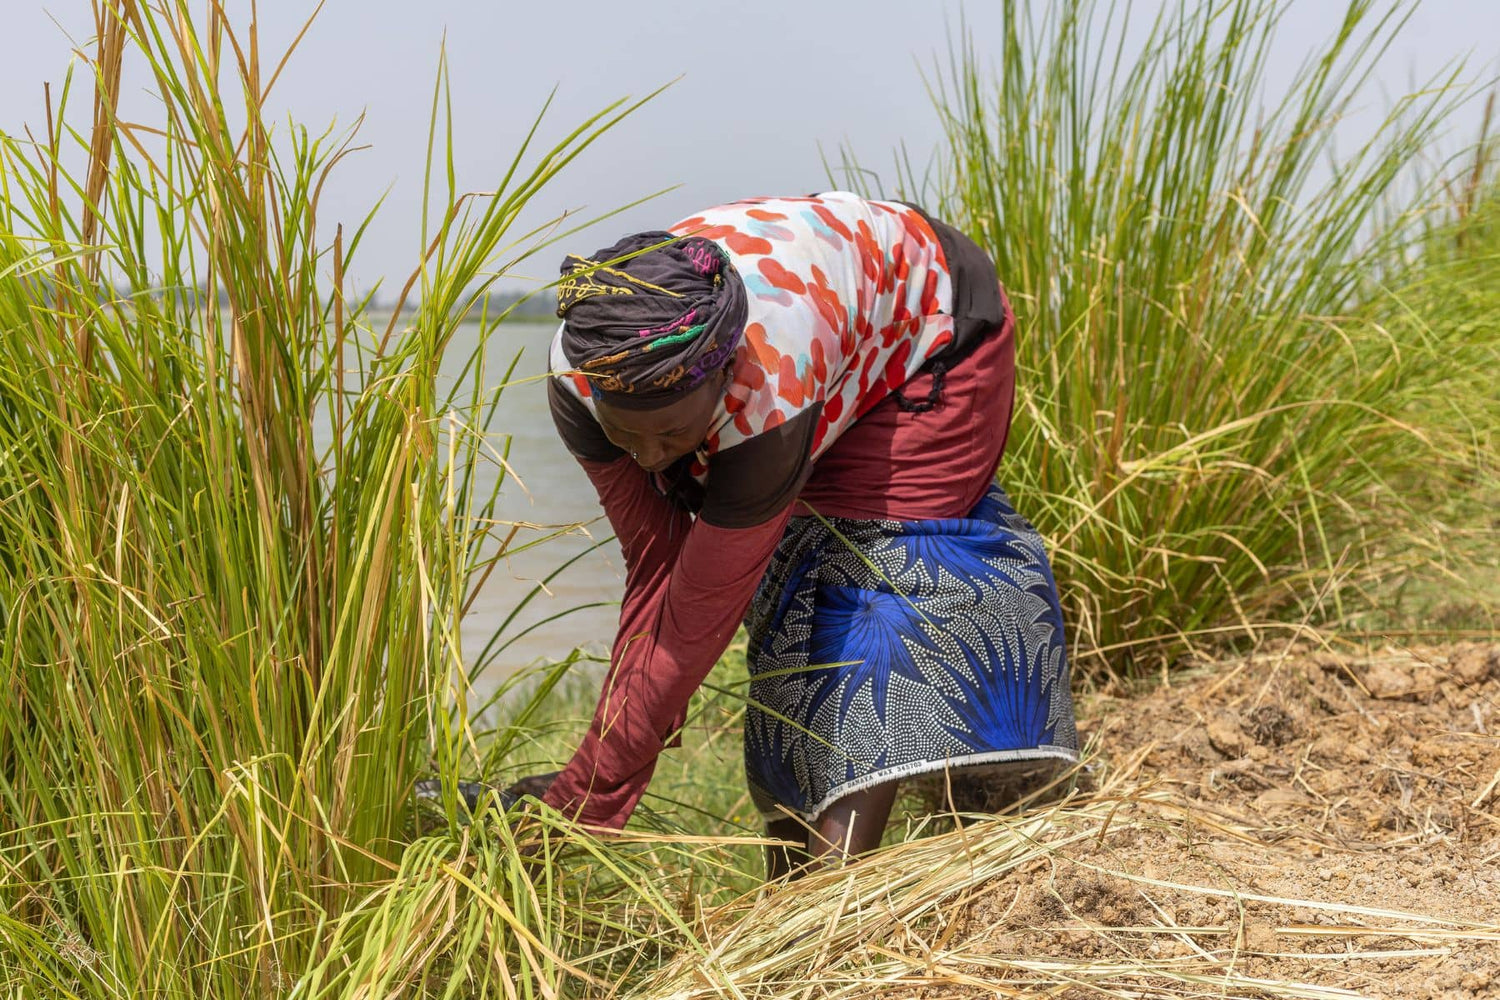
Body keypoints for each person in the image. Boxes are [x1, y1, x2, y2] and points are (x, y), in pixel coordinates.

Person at [522, 191, 1077, 877]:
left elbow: (694, 622)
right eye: (624, 433)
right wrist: (605, 772)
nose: (650, 458)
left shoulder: (768, 395)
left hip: (928, 327)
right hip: (830, 329)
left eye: (671, 432)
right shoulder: (587, 366)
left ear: (725, 377)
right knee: (782, 589)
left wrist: (583, 800)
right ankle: (789, 879)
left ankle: (825, 901)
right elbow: (657, 571)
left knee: (875, 576)